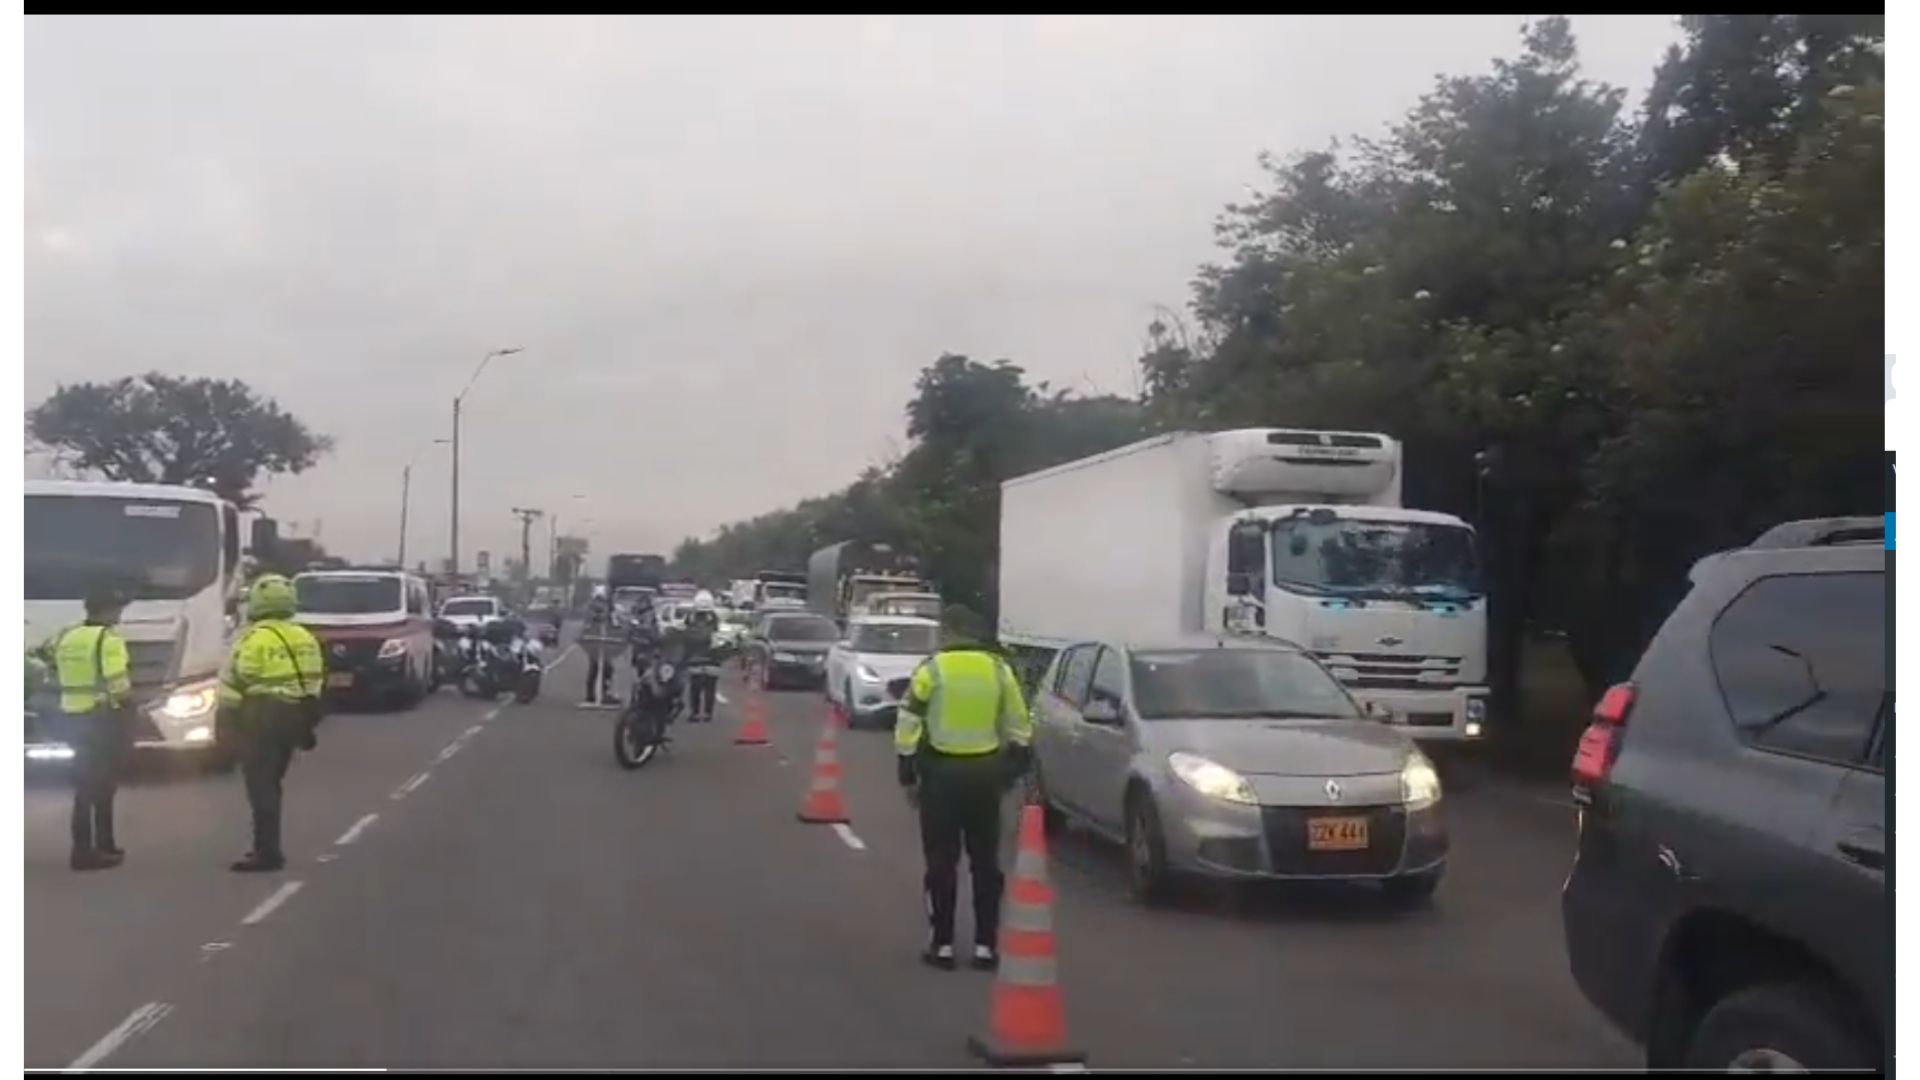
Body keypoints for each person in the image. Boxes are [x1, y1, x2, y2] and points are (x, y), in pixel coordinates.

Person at [894, 631, 1034, 971]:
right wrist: (1013, 768)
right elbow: (1019, 724)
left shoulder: (933, 669)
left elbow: (908, 719)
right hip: (985, 775)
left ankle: (942, 944)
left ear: (947, 638)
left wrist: (907, 768)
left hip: (941, 776)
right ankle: (985, 946)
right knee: (985, 863)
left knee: (941, 862)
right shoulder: (999, 670)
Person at [217, 574, 326, 873]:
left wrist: (226, 723)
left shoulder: (252, 639)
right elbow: (315, 680)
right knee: (274, 781)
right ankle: (268, 847)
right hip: (294, 716)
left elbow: (233, 681)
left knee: (260, 784)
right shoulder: (305, 638)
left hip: (261, 716)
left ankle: (266, 851)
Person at [38, 586, 134, 871]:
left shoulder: (66, 635)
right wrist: (129, 707)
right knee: (102, 785)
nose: (119, 614)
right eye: (117, 609)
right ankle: (91, 849)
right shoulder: (108, 639)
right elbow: (118, 682)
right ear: (107, 611)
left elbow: (42, 654)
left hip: (71, 715)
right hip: (101, 717)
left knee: (87, 785)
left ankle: (99, 846)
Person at [668, 590, 723, 723]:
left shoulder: (690, 618)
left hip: (695, 660)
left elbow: (683, 637)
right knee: (709, 688)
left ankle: (695, 713)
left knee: (696, 688)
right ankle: (707, 714)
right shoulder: (715, 619)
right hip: (711, 660)